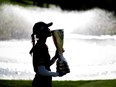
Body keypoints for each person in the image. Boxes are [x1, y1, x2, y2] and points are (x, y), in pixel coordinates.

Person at [29, 21, 66, 87]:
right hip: (41, 83)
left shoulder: (43, 45)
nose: (49, 30)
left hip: (44, 81)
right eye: (47, 28)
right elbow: (42, 71)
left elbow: (46, 65)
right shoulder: (40, 47)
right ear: (42, 31)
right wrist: (58, 74)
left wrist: (55, 56)